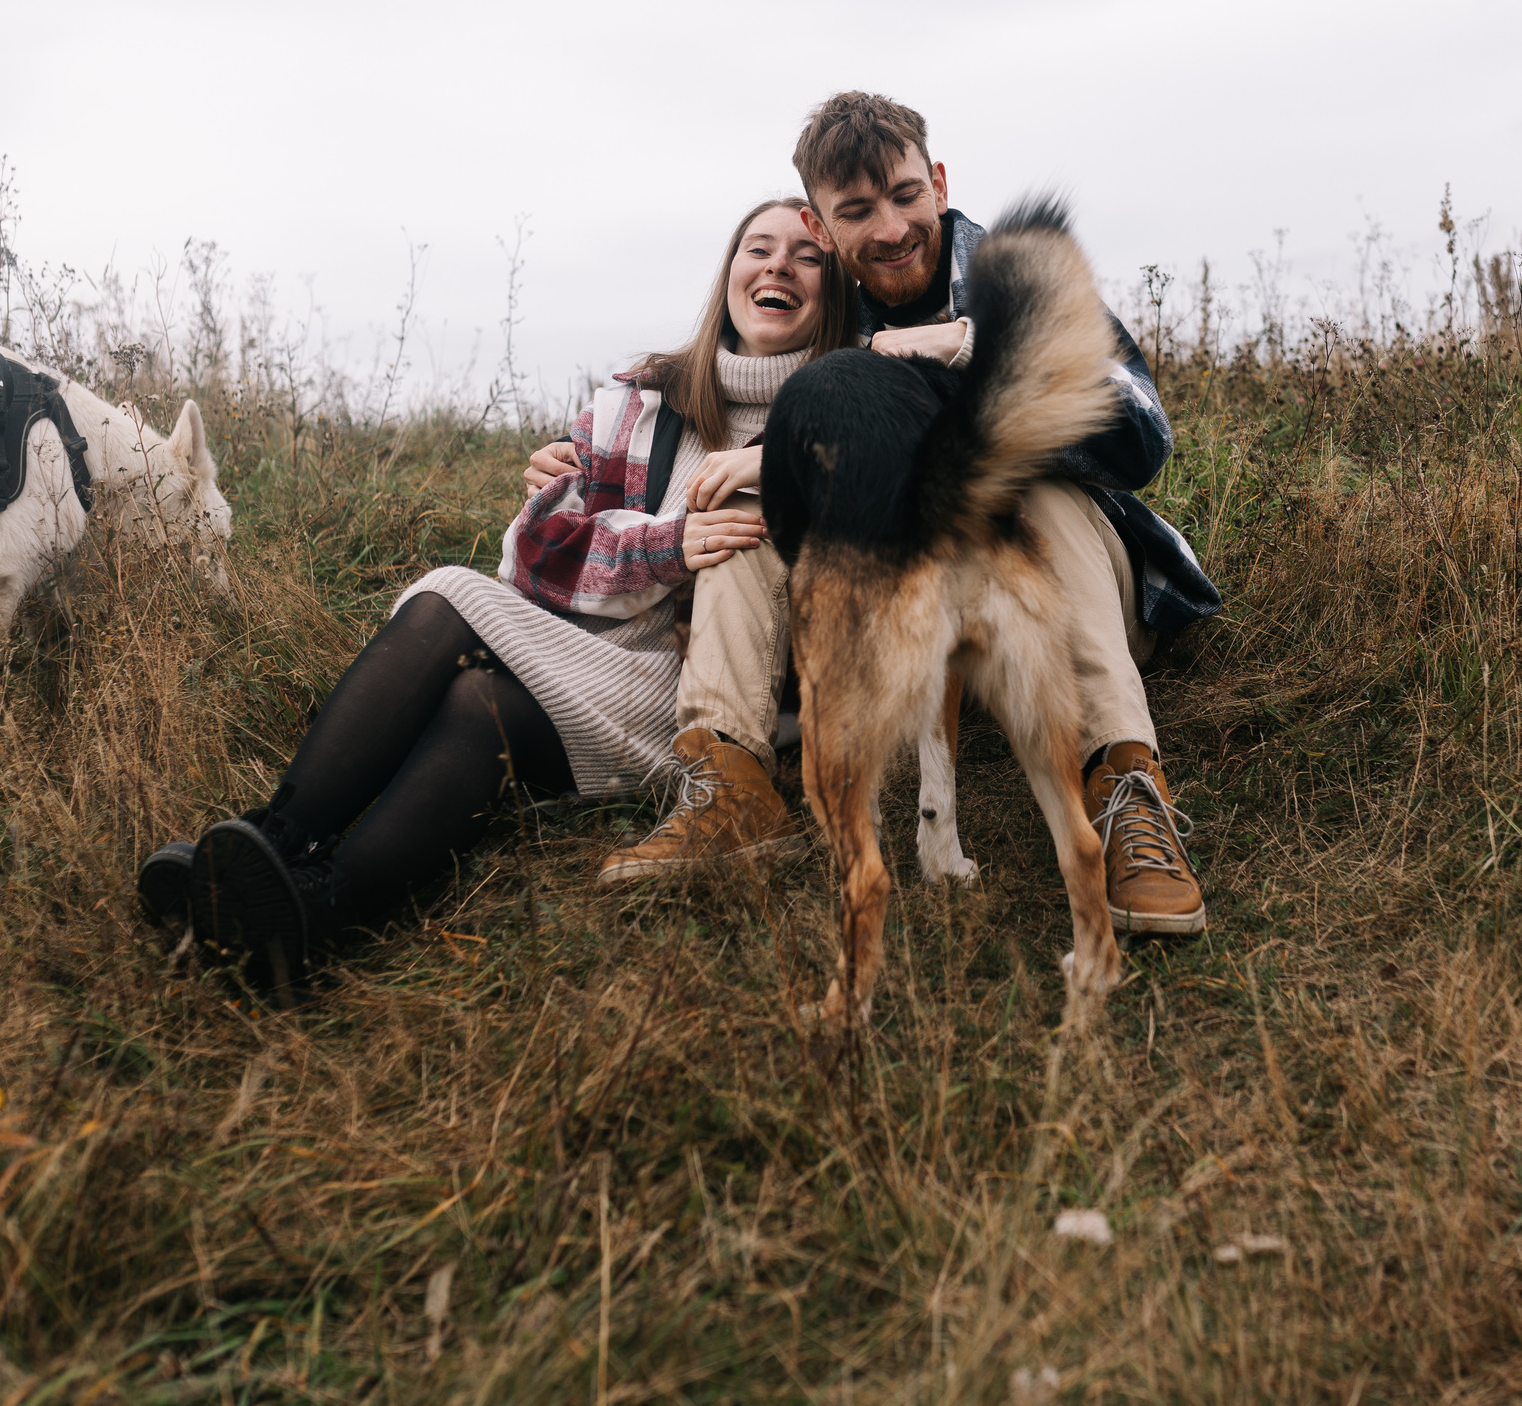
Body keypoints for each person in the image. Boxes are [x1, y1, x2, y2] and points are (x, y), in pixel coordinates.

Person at [137, 198, 852, 985]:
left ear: (832, 290)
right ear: (730, 274)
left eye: (807, 256)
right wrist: (666, 545)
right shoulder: (639, 402)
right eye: (758, 247)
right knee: (470, 670)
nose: (778, 265)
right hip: (575, 643)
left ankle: (298, 882)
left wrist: (621, 545)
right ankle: (291, 872)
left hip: (677, 693)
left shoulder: (835, 423)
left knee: (464, 641)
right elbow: (537, 548)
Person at [592, 92, 1224, 931]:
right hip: (925, 610)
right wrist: (588, 460)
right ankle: (731, 781)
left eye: (903, 196)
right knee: (754, 501)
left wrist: (967, 346)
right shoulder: (831, 320)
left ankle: (1125, 786)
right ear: (821, 225)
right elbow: (715, 377)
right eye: (855, 211)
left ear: (937, 182)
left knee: (1023, 476)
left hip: (1067, 581)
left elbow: (1142, 434)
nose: (888, 228)